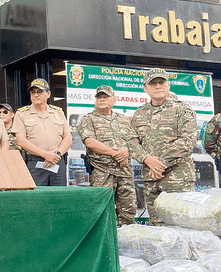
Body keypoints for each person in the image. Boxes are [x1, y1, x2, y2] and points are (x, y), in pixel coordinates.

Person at [129, 68, 197, 225]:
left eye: (161, 82)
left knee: (182, 224)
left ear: (168, 85)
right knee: (157, 226)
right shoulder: (139, 113)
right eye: (153, 83)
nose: (158, 86)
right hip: (151, 180)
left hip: (177, 179)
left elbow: (187, 141)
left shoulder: (183, 109)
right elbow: (131, 142)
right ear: (145, 88)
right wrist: (146, 159)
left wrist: (159, 164)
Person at [77, 85, 136, 226]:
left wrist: (126, 152)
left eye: (106, 97)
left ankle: (125, 244)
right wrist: (115, 154)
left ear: (114, 100)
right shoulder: (88, 119)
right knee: (101, 211)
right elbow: (90, 142)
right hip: (102, 171)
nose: (102, 99)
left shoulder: (123, 120)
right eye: (99, 97)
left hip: (124, 171)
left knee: (128, 211)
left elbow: (135, 141)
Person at [12, 78, 72, 186]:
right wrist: (45, 154)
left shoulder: (58, 112)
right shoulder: (22, 114)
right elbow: (21, 140)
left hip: (57, 161)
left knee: (59, 197)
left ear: (48, 94)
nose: (35, 95)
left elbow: (68, 137)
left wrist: (56, 154)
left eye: (39, 92)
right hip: (36, 162)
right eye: (33, 92)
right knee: (36, 199)